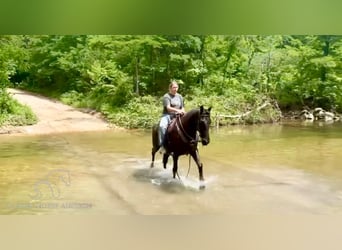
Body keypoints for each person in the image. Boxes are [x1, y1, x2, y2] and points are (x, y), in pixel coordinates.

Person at [158, 80, 185, 153]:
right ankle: (163, 145)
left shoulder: (180, 96)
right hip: (167, 115)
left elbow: (182, 107)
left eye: (176, 87)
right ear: (170, 88)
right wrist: (178, 110)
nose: (175, 89)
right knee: (162, 126)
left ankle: (191, 142)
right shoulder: (166, 96)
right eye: (174, 87)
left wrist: (182, 111)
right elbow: (168, 108)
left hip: (178, 115)